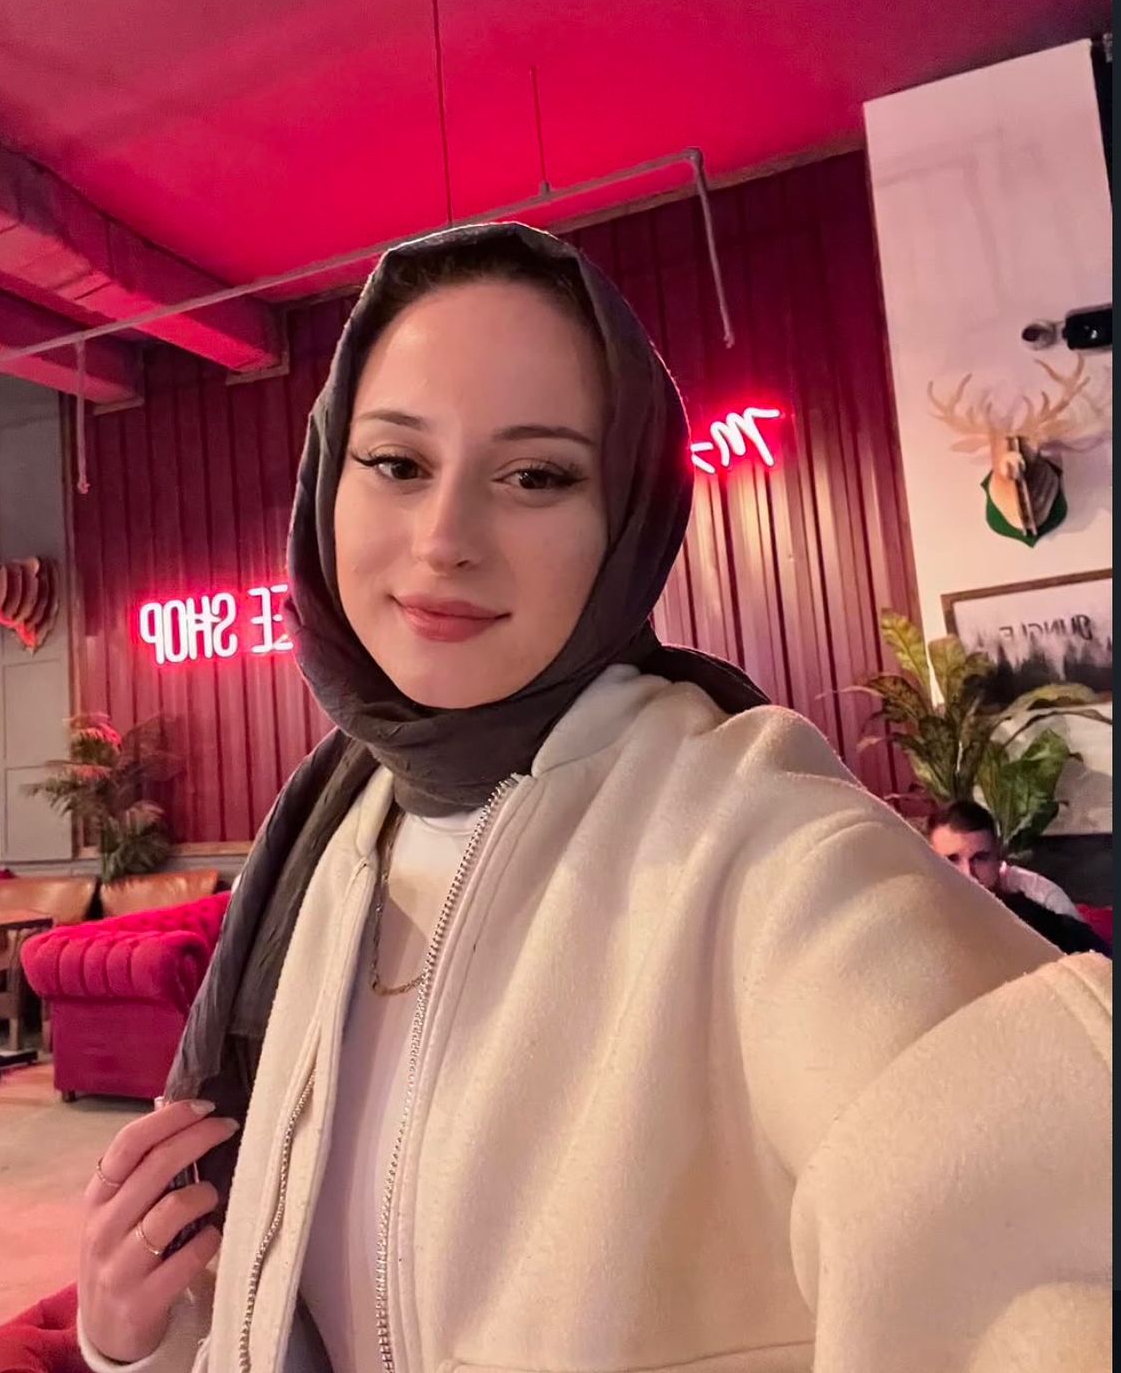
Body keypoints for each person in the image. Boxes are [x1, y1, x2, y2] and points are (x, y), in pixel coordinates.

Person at [77, 224, 1111, 1373]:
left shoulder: (748, 833)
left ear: (627, 519)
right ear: (329, 479)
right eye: (398, 463)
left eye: (536, 475)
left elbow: (1023, 1208)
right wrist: (147, 1336)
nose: (444, 538)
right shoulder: (333, 836)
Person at [928, 799, 1110, 956]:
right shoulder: (925, 910)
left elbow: (1095, 964)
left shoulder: (1041, 902)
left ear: (999, 854)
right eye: (951, 860)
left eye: (980, 858)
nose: (968, 874)